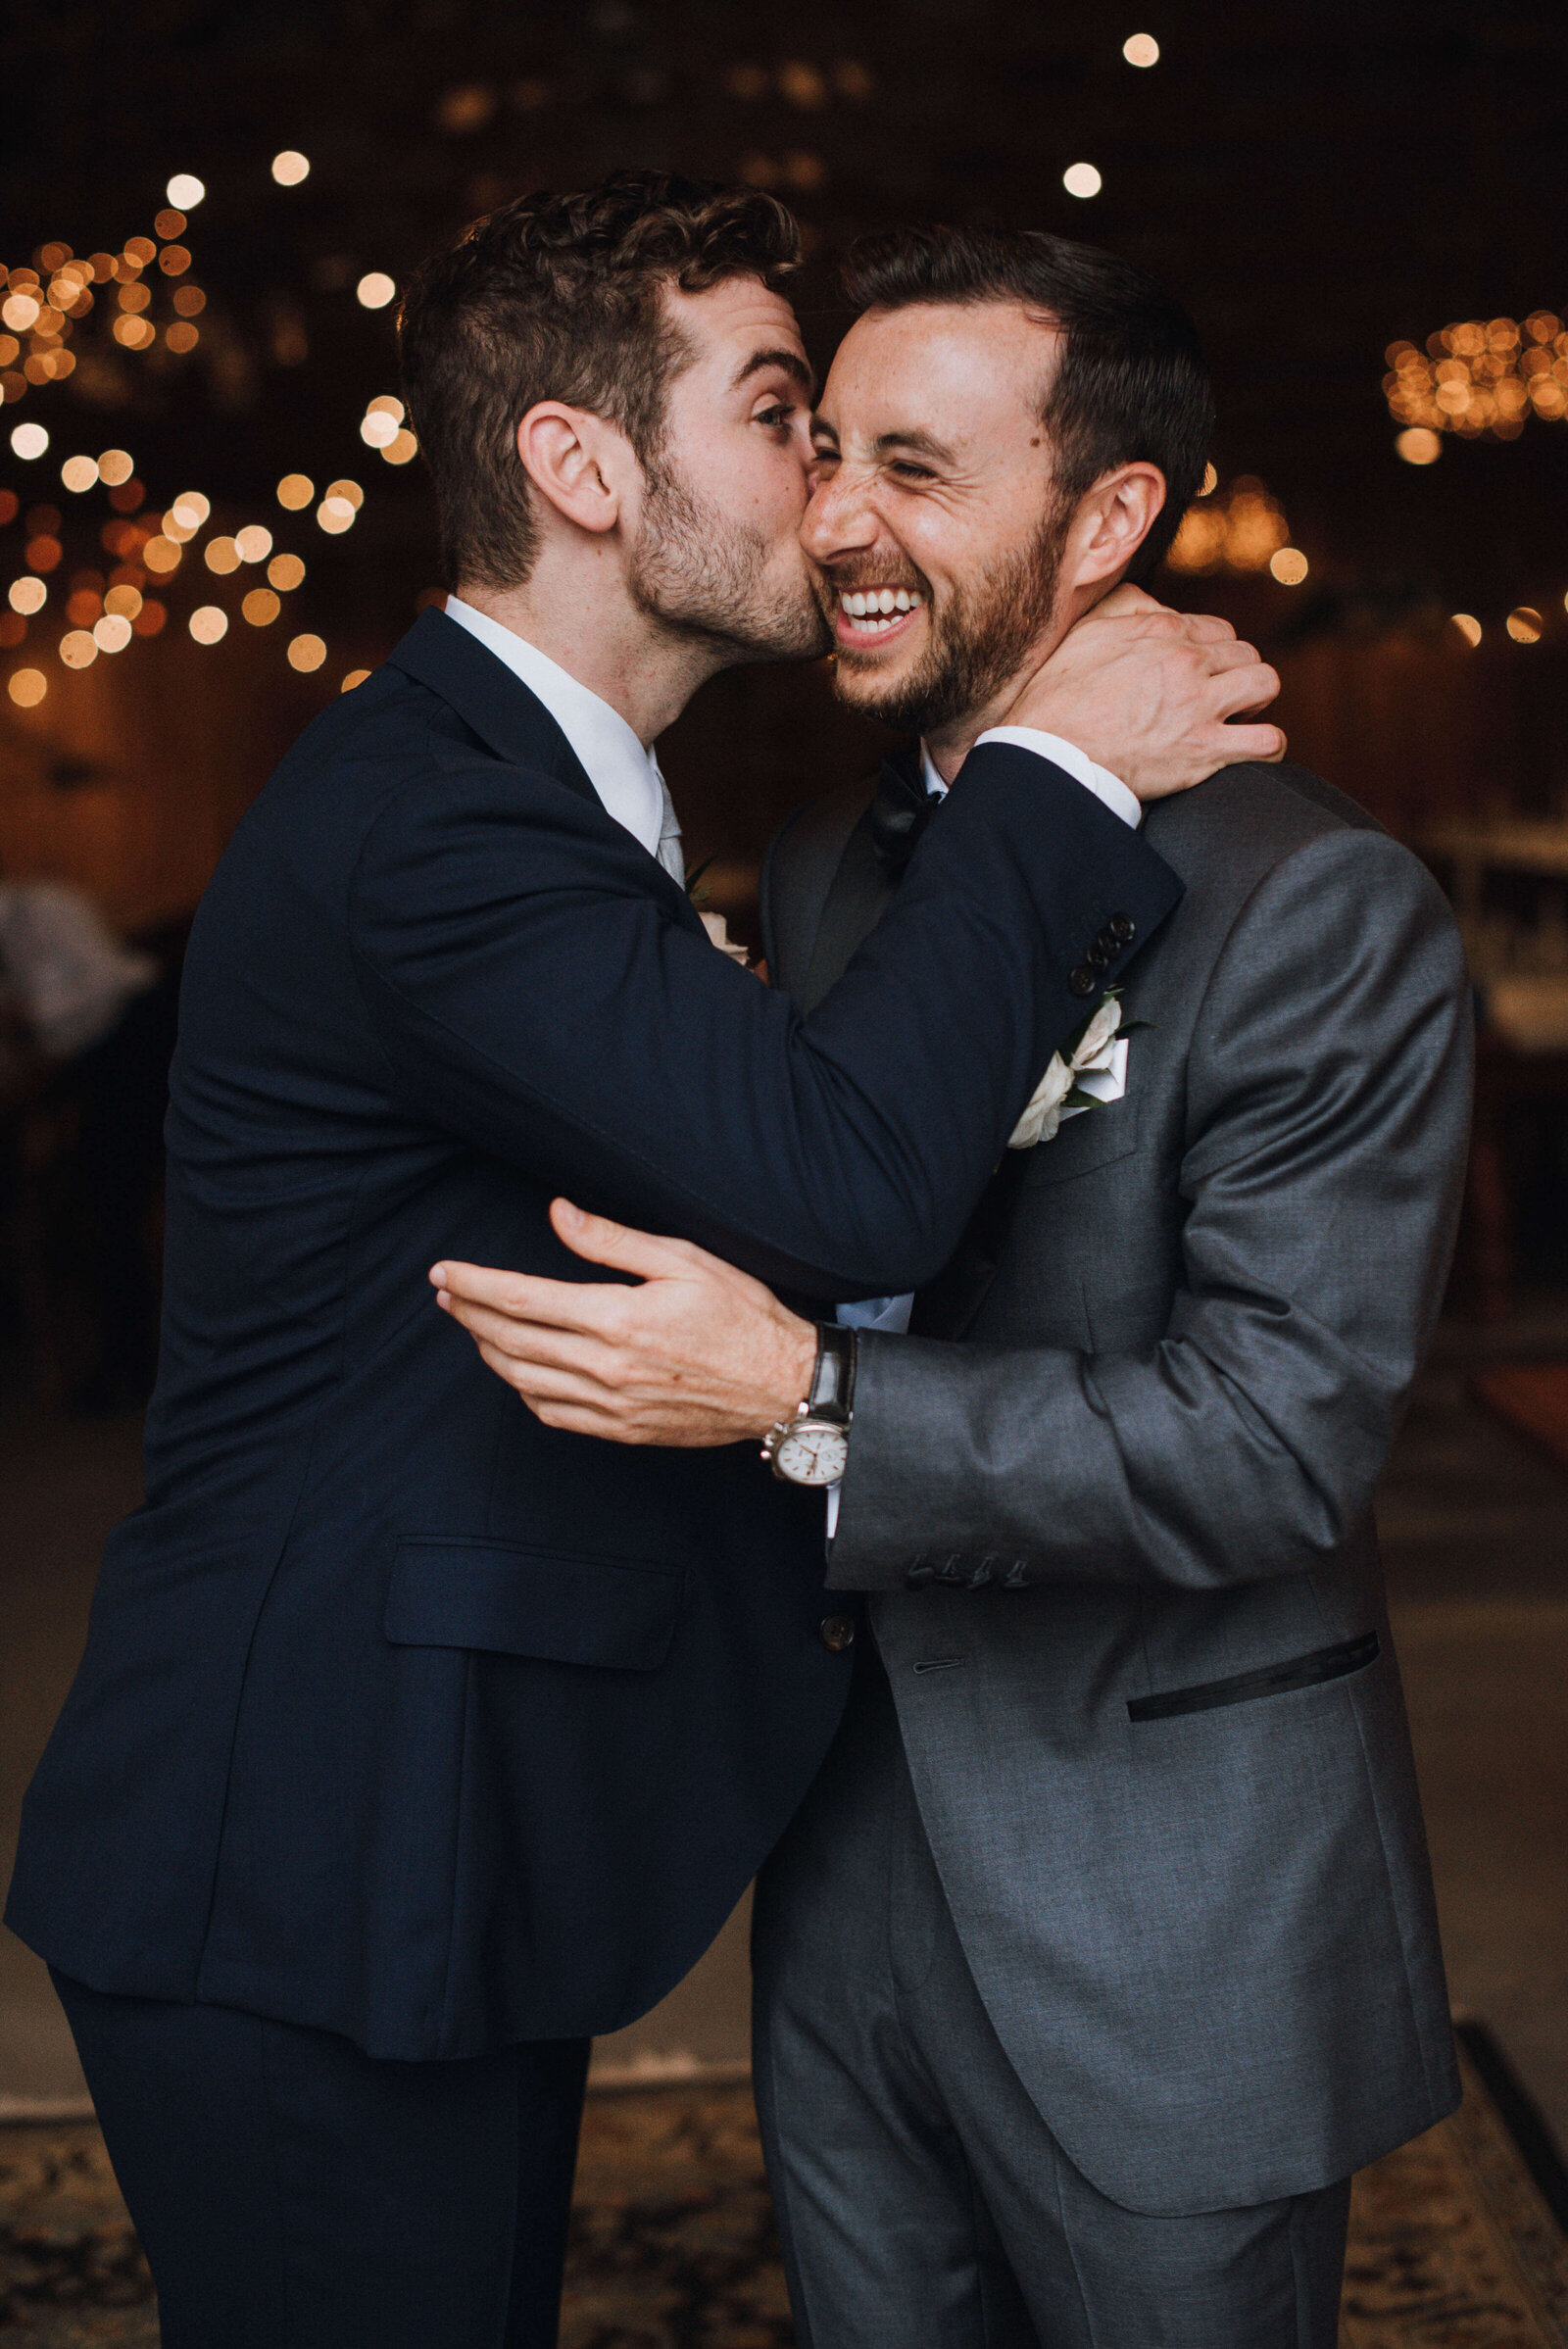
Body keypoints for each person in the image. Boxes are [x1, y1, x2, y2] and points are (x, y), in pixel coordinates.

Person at [3, 177, 1280, 2348]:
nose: (832, 483)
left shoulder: (539, 798)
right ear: (581, 468)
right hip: (311, 1844)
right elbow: (849, 1176)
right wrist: (1058, 767)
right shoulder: (446, 818)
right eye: (781, 410)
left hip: (426, 1834)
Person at [437, 222, 1474, 2349]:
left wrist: (804, 1393)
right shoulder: (820, 865)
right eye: (819, 451)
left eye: (914, 467)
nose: (832, 523)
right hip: (837, 1876)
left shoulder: (1315, 901)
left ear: (1107, 518)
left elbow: (1272, 1441)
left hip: (1161, 1897)